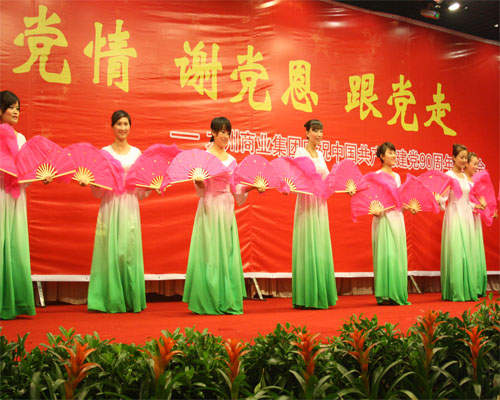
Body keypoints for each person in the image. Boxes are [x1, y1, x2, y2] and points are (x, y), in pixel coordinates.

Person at [182, 117, 257, 314]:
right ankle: (207, 298)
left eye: (228, 132)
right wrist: (199, 182)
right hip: (209, 204)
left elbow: (236, 189)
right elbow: (201, 189)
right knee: (209, 251)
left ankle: (226, 298)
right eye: (222, 131)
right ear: (213, 133)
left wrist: (253, 186)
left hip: (226, 206)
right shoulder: (204, 157)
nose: (225, 136)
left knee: (227, 251)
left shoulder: (231, 160)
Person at [87, 110, 146, 313]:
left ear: (130, 127)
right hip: (110, 205)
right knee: (110, 250)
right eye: (119, 124)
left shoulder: (136, 153)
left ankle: (130, 298)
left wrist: (150, 186)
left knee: (128, 251)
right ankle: (110, 298)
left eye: (126, 124)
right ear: (112, 127)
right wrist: (90, 182)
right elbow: (97, 188)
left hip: (129, 204)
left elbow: (141, 186)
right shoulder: (104, 153)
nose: (122, 128)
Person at [292, 119, 337, 309]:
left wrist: (342, 186)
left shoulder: (321, 154)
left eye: (321, 131)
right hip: (306, 202)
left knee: (320, 243)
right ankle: (307, 295)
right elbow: (295, 176)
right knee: (308, 243)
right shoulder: (300, 152)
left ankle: (321, 292)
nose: (319, 135)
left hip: (320, 203)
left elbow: (327, 180)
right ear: (307, 133)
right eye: (315, 131)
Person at [0, 90, 36, 319]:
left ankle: (16, 301)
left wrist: (39, 176)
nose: (15, 112)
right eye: (11, 107)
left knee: (16, 245)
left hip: (16, 197)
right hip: (0, 193)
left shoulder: (21, 138)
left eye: (18, 108)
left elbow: (25, 171)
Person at [439, 144, 482, 302]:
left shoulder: (465, 177)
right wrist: (438, 198)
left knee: (467, 252)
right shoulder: (448, 175)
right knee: (457, 252)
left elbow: (468, 199)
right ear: (453, 158)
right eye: (461, 157)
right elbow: (442, 198)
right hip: (455, 214)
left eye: (465, 158)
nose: (464, 160)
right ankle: (456, 290)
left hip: (467, 215)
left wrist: (476, 206)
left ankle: (468, 289)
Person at [370, 142, 410, 305]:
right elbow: (373, 198)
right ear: (381, 156)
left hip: (397, 217)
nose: (393, 156)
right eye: (390, 153)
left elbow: (398, 199)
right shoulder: (376, 175)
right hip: (383, 219)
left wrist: (408, 207)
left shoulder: (397, 176)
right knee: (386, 254)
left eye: (394, 153)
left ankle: (396, 292)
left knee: (397, 254)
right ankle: (385, 294)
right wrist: (375, 208)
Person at [464, 152, 487, 297]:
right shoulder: (462, 179)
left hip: (476, 217)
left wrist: (484, 206)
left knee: (476, 249)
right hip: (466, 217)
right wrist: (474, 206)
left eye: (477, 164)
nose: (476, 167)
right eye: (474, 164)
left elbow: (480, 198)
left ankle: (477, 285)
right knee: (469, 248)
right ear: (466, 164)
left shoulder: (475, 181)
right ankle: (469, 284)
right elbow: (463, 200)